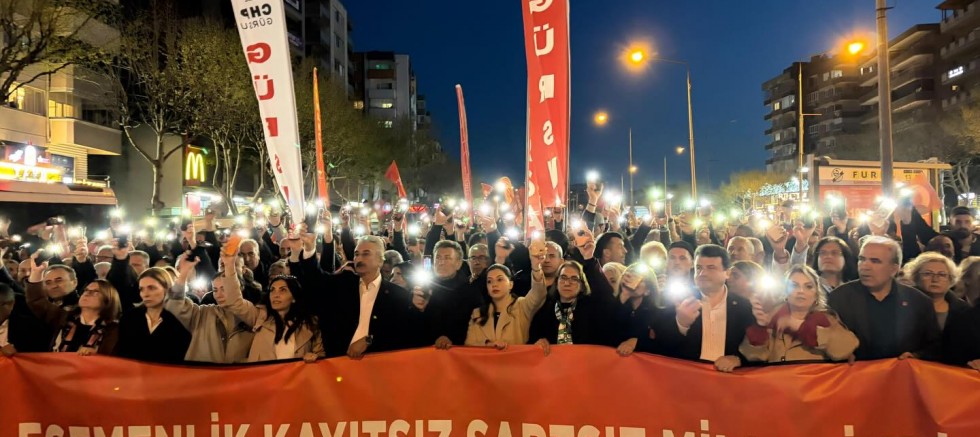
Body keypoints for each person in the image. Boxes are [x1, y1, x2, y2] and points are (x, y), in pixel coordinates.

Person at [285, 215, 423, 359]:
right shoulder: (343, 283)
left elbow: (402, 332)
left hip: (378, 363)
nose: (359, 258)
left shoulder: (398, 295)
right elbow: (317, 279)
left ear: (380, 260)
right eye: (356, 254)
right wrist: (309, 248)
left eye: (366, 254)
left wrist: (369, 340)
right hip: (339, 362)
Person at [828, 236, 941, 361]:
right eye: (862, 259)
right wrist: (841, 354)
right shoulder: (838, 298)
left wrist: (916, 356)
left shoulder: (919, 302)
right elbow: (826, 341)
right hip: (854, 371)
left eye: (875, 261)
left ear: (894, 269)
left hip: (901, 371)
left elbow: (935, 346)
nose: (865, 266)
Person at [657, 244, 754, 372]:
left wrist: (737, 359)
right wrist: (681, 324)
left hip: (727, 378)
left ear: (727, 273)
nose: (702, 273)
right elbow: (659, 345)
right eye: (699, 268)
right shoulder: (678, 300)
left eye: (711, 268)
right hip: (685, 375)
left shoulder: (744, 307)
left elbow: (756, 350)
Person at [740, 265, 858, 363]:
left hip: (812, 383)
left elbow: (845, 349)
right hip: (775, 382)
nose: (801, 291)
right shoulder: (772, 317)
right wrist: (760, 327)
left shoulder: (827, 320)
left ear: (816, 295)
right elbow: (753, 356)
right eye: (794, 285)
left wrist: (799, 326)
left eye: (808, 286)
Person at [529, 229, 618, 353]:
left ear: (582, 285)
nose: (567, 283)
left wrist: (589, 259)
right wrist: (538, 341)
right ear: (557, 282)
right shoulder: (545, 310)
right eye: (563, 277)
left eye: (574, 279)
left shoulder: (591, 308)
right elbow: (533, 338)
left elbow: (606, 296)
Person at [164, 252, 257, 363]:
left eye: (223, 288)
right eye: (215, 290)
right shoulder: (202, 314)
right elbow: (175, 305)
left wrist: (229, 265)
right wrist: (183, 274)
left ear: (238, 288)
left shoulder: (252, 316)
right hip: (202, 373)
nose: (218, 295)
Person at [24, 255, 121, 355]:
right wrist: (36, 273)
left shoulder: (115, 329)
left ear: (108, 298)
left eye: (95, 292)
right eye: (86, 290)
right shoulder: (64, 317)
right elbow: (37, 301)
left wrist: (98, 354)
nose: (87, 294)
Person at [223, 271, 323, 363]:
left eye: (282, 290)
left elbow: (321, 355)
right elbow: (235, 301)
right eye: (272, 290)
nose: (276, 295)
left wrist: (314, 357)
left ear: (294, 298)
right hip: (263, 376)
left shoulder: (310, 323)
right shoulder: (260, 317)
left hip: (296, 376)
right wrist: (229, 265)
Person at [464, 239, 547, 348]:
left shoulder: (522, 306)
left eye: (499, 279)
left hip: (517, 359)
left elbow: (538, 293)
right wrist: (489, 345)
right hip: (485, 359)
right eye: (489, 281)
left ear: (511, 284)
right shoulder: (477, 313)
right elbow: (469, 343)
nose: (494, 284)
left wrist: (536, 267)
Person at [116, 267, 191, 363]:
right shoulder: (129, 318)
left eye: (151, 288)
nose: (145, 294)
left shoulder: (179, 319)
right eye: (141, 289)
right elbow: (121, 354)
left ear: (167, 289)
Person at [901, 252, 969, 332]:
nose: (935, 279)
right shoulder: (901, 303)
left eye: (942, 275)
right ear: (915, 277)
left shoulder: (963, 310)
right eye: (928, 274)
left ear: (951, 279)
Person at [612, 262, 666, 356]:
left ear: (647, 291)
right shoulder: (612, 305)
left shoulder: (657, 314)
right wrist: (625, 294)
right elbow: (606, 330)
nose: (631, 280)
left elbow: (661, 343)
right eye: (629, 275)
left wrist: (636, 341)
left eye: (639, 278)